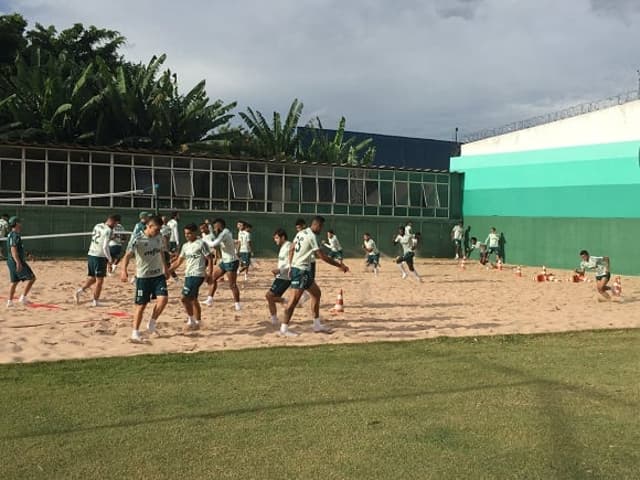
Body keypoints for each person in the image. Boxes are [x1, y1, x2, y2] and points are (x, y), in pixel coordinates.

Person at [280, 216, 349, 337]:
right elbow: (321, 256)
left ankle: (317, 325)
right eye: (321, 227)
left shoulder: (301, 232)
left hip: (303, 270)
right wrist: (340, 265)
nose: (321, 230)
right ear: (316, 225)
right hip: (300, 271)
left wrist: (291, 265)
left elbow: (291, 249)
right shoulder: (312, 236)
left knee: (316, 294)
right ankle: (284, 329)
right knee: (293, 302)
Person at [120, 215, 169, 343]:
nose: (158, 232)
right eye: (156, 229)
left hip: (158, 275)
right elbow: (127, 256)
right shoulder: (137, 238)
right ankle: (135, 332)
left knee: (163, 300)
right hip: (143, 277)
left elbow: (161, 252)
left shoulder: (159, 237)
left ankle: (151, 323)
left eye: (160, 229)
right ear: (149, 226)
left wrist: (166, 268)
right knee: (141, 306)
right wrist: (123, 270)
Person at [169, 223, 213, 329]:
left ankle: (191, 320)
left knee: (184, 298)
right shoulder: (185, 246)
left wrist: (210, 274)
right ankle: (198, 321)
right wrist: (169, 270)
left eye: (189, 233)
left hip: (198, 274)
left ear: (195, 233)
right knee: (193, 299)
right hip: (188, 275)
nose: (187, 235)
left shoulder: (201, 244)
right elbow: (179, 261)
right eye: (185, 233)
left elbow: (210, 258)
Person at [74, 214, 119, 307]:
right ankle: (95, 301)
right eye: (116, 224)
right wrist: (109, 259)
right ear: (114, 221)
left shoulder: (97, 225)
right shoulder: (108, 230)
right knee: (100, 280)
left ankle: (80, 291)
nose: (115, 226)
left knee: (93, 278)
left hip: (91, 253)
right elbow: (105, 246)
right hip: (99, 256)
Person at [203, 218, 241, 311]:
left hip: (231, 262)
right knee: (212, 278)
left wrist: (204, 239)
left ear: (219, 226)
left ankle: (238, 305)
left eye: (216, 227)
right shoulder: (223, 233)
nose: (215, 229)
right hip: (224, 261)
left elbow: (213, 244)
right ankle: (209, 299)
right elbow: (215, 242)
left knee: (232, 285)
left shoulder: (225, 233)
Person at [5, 217, 36, 307]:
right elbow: (13, 249)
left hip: (11, 261)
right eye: (19, 222)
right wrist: (18, 262)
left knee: (14, 282)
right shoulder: (15, 235)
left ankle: (9, 302)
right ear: (16, 224)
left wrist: (28, 255)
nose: (21, 224)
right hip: (17, 261)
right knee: (32, 278)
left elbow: (19, 249)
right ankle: (23, 298)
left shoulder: (11, 234)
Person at [265, 228, 291, 326]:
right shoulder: (283, 246)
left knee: (269, 296)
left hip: (286, 277)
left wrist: (280, 270)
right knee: (271, 296)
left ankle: (275, 318)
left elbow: (292, 263)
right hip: (281, 276)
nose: (275, 240)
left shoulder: (288, 246)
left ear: (283, 237)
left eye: (276, 238)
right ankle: (274, 318)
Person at [161, 215, 180, 283]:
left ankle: (176, 278)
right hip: (160, 249)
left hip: (163, 249)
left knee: (167, 265)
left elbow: (166, 239)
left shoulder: (167, 228)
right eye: (163, 219)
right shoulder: (160, 228)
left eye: (165, 219)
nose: (164, 221)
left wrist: (167, 249)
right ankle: (176, 278)